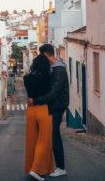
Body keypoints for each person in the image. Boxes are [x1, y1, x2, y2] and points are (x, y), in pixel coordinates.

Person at [28, 44, 69, 178]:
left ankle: (61, 167)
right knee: (50, 136)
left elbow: (53, 93)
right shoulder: (53, 68)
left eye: (41, 55)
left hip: (57, 106)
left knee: (53, 136)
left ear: (46, 55)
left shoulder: (58, 70)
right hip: (52, 106)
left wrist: (36, 101)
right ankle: (47, 167)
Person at [24, 54, 54, 181]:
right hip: (43, 109)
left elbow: (30, 97)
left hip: (30, 111)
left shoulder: (27, 78)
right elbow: (51, 94)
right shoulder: (48, 78)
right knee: (44, 141)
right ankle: (36, 170)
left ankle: (41, 169)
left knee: (31, 141)